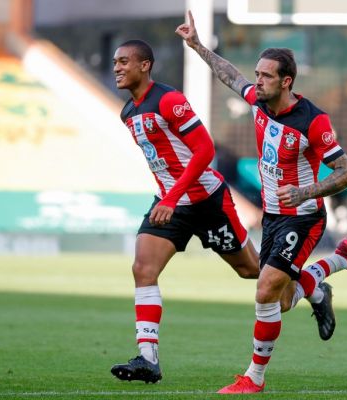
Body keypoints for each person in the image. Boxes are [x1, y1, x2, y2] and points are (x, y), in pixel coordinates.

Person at [176, 12, 347, 394]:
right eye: (257, 74)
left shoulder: (313, 121)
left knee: (265, 290)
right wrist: (198, 46)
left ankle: (253, 378)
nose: (257, 81)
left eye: (266, 76)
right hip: (273, 217)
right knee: (282, 301)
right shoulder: (258, 100)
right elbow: (229, 76)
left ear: (286, 81)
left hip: (302, 218)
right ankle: (333, 268)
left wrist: (304, 192)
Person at [109, 39, 261, 385]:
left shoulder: (169, 100)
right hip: (170, 203)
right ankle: (148, 359)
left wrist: (172, 197)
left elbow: (205, 150)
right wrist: (169, 197)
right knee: (143, 267)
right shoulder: (128, 112)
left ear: (144, 65)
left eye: (124, 61)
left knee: (253, 272)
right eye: (115, 62)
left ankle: (314, 289)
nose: (117, 67)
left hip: (206, 201)